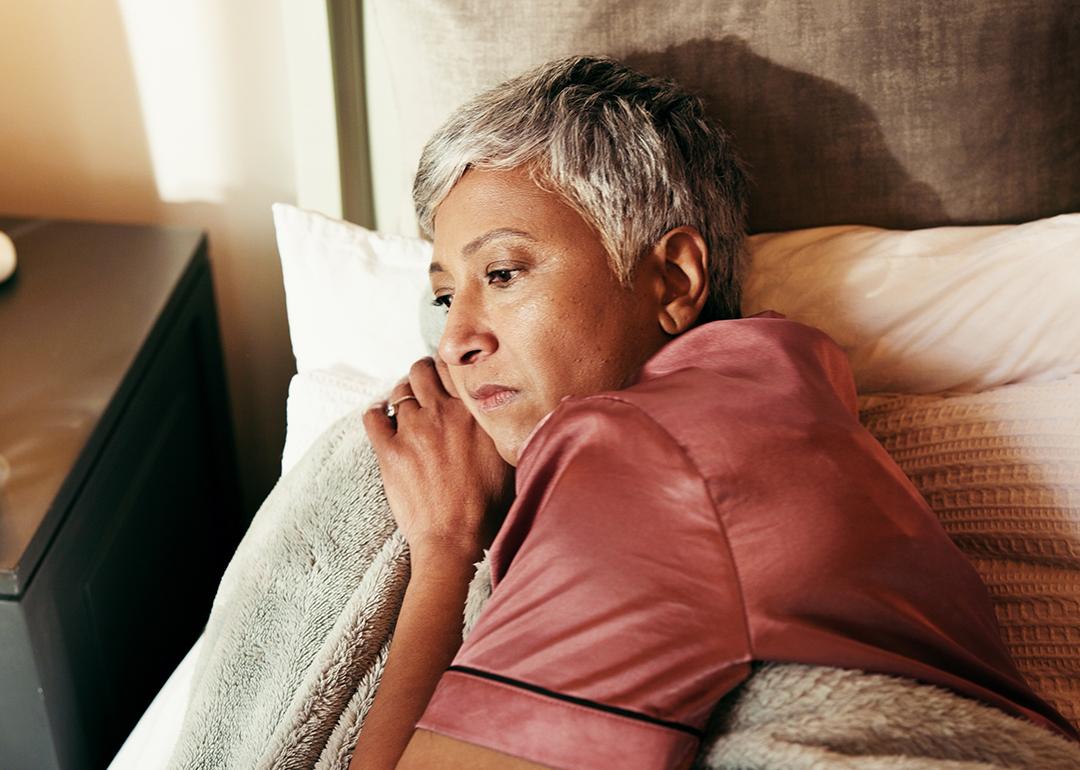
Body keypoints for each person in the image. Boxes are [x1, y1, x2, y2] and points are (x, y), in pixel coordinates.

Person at [349, 56, 1078, 770]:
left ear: (673, 279)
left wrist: (443, 546)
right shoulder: (776, 405)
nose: (454, 341)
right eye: (445, 296)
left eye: (502, 274)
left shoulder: (646, 458)